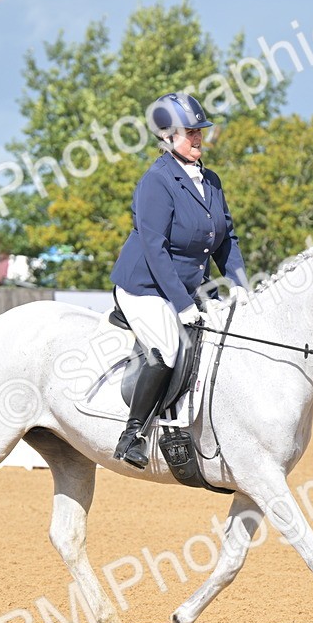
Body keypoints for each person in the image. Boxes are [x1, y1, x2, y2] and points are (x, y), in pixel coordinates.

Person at [109, 92, 249, 470]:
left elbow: (226, 239)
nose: (198, 137)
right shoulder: (157, 181)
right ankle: (133, 434)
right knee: (169, 349)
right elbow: (154, 249)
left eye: (200, 130)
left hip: (190, 286)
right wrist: (183, 304)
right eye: (190, 132)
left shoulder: (211, 181)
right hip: (146, 286)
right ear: (167, 137)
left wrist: (239, 283)